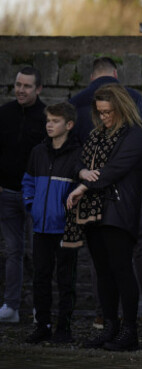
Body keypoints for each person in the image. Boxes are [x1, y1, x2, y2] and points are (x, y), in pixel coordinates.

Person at [69, 57, 142, 328]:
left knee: (102, 259)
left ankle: (104, 314)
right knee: (137, 247)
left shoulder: (77, 101)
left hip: (93, 193)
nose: (104, 116)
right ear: (115, 74)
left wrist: (82, 176)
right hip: (124, 193)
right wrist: (141, 182)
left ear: (92, 76)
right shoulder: (131, 97)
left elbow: (72, 147)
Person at [66, 83, 142, 351]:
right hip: (94, 210)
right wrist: (81, 174)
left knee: (121, 269)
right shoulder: (96, 134)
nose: (104, 117)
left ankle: (130, 332)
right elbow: (77, 160)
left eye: (108, 112)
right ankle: (110, 326)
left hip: (119, 208)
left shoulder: (135, 134)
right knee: (103, 272)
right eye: (100, 112)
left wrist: (83, 185)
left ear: (121, 108)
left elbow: (114, 169)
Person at [22, 102, 80, 343]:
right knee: (41, 277)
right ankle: (42, 324)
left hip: (65, 228)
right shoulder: (38, 152)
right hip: (41, 228)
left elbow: (80, 189)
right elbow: (28, 181)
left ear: (69, 125)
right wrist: (30, 205)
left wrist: (71, 217)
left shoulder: (78, 153)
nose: (49, 125)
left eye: (55, 121)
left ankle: (63, 328)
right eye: (48, 120)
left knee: (66, 279)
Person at [0, 67, 47, 323]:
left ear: (38, 89)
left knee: (40, 252)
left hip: (36, 198)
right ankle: (11, 307)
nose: (21, 90)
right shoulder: (4, 113)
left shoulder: (46, 117)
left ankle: (41, 308)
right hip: (6, 193)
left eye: (27, 86)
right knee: (12, 251)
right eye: (18, 84)